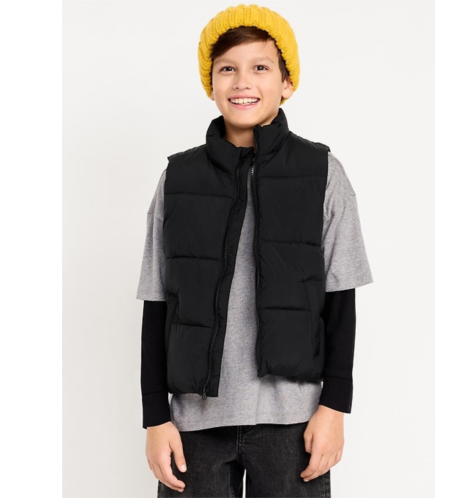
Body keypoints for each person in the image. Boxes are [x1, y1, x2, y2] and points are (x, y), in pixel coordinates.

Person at [137, 4, 373, 497]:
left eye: (260, 67)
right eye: (227, 69)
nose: (242, 82)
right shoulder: (177, 179)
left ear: (287, 82)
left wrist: (334, 408)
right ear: (211, 83)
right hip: (194, 424)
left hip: (293, 422)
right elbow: (157, 304)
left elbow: (340, 302)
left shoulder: (323, 173)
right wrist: (155, 417)